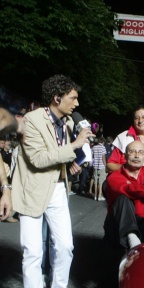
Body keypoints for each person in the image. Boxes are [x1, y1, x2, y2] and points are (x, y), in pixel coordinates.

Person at [11, 74, 94, 288]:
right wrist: (74, 146)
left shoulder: (68, 122)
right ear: (57, 98)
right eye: (73, 98)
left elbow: (60, 153)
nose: (77, 103)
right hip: (33, 189)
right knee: (33, 251)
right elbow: (38, 158)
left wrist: (73, 161)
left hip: (58, 188)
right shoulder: (31, 120)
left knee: (65, 246)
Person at [103, 140, 144, 250]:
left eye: (141, 152)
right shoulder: (114, 177)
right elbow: (127, 189)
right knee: (122, 198)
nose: (137, 155)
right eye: (132, 151)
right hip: (118, 225)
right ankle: (131, 237)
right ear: (125, 156)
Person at [91, 137, 107, 201]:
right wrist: (105, 165)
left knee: (95, 181)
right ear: (103, 142)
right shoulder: (103, 148)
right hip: (102, 166)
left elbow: (92, 156)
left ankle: (95, 196)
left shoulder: (94, 147)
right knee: (101, 182)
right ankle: (100, 196)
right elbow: (103, 157)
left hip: (95, 166)